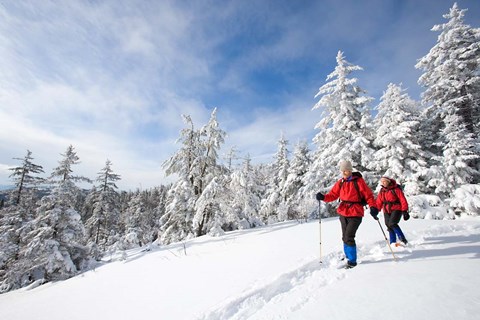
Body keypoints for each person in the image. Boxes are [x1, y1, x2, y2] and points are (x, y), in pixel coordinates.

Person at [316, 160, 379, 269]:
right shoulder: (341, 182)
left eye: (347, 170)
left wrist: (373, 207)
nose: (344, 172)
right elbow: (333, 195)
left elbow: (369, 196)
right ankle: (348, 256)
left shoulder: (358, 182)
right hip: (343, 212)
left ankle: (352, 261)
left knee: (349, 236)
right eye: (343, 170)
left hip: (356, 212)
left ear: (350, 170)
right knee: (344, 236)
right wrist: (323, 197)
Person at [376, 176, 409, 246]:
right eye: (382, 182)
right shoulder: (382, 190)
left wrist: (405, 210)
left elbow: (403, 200)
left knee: (392, 223)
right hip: (386, 210)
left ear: (388, 181)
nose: (383, 183)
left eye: (384, 181)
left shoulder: (396, 189)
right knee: (388, 225)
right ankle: (392, 242)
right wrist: (376, 210)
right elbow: (379, 201)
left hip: (396, 208)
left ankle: (403, 239)